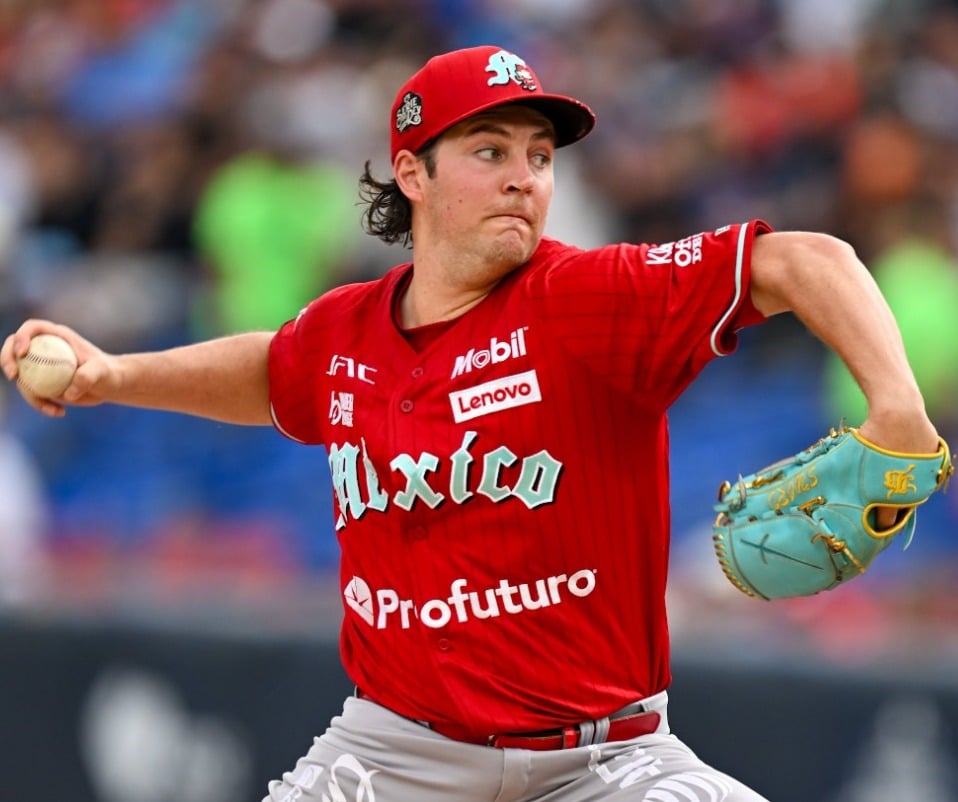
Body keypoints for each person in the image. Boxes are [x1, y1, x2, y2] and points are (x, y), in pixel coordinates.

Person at [1, 44, 942, 802]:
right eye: (490, 152)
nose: (524, 178)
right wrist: (114, 372)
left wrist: (897, 410)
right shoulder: (345, 332)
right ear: (412, 171)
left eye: (538, 156)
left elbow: (805, 260)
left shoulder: (584, 296)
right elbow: (270, 371)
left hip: (606, 763)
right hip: (395, 758)